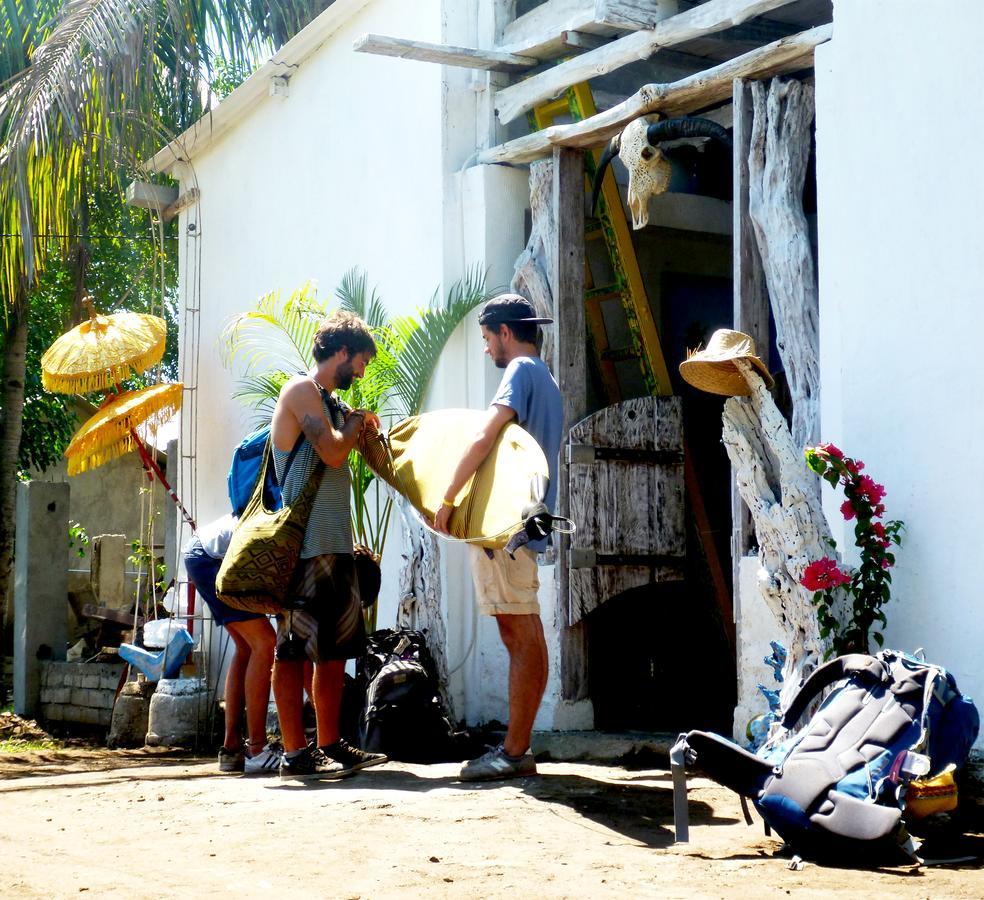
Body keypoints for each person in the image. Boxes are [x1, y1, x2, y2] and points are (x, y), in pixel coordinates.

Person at [433, 294, 562, 781]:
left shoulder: (522, 372)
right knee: (526, 631)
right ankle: (519, 746)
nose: (488, 350)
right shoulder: (545, 378)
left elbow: (484, 436)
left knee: (518, 632)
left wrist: (447, 498)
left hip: (507, 525)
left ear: (506, 332)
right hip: (528, 519)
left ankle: (513, 752)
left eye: (488, 339)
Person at [270, 310, 388, 780]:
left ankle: (331, 746)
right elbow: (334, 451)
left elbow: (353, 448)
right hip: (304, 547)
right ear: (341, 352)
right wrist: (357, 422)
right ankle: (295, 754)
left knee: (336, 650)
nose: (361, 371)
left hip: (336, 545)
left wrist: (364, 426)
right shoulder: (300, 391)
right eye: (359, 360)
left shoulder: (332, 405)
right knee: (294, 650)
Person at [183, 515, 282, 775]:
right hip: (213, 558)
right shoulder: (291, 509)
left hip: (202, 551)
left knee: (247, 646)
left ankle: (232, 747)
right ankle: (258, 749)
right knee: (265, 642)